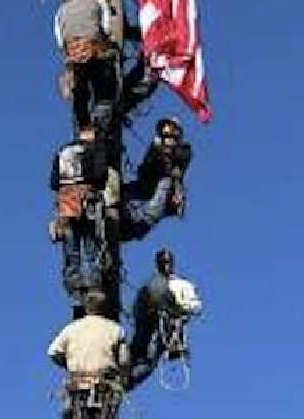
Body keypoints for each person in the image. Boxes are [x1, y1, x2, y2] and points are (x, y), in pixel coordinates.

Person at [49, 124, 111, 299]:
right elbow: (100, 175)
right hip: (86, 200)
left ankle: (74, 285)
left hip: (66, 203)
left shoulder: (63, 151)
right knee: (91, 245)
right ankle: (94, 285)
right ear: (91, 133)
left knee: (71, 247)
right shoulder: (94, 149)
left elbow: (54, 182)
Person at [127, 249, 203, 389]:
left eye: (167, 262)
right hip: (153, 327)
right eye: (164, 262)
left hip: (157, 327)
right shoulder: (157, 284)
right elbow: (196, 307)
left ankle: (125, 377)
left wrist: (183, 310)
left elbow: (196, 307)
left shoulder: (171, 284)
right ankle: (126, 380)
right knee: (145, 359)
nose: (166, 265)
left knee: (141, 357)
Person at [49, 289, 130, 418]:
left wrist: (67, 363)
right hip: (104, 388)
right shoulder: (116, 329)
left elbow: (53, 352)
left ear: (86, 308)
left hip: (77, 386)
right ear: (104, 308)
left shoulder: (71, 328)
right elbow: (124, 361)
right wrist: (123, 380)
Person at [54, 0, 118, 130]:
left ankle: (84, 127)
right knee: (104, 87)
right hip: (93, 47)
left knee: (80, 92)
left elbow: (59, 39)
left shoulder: (62, 9)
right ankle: (100, 122)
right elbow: (107, 28)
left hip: (72, 52)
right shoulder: (97, 0)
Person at [128, 118, 194, 218]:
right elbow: (146, 165)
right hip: (148, 185)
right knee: (123, 191)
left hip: (168, 189)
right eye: (164, 129)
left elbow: (180, 159)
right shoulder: (155, 147)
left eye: (170, 128)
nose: (166, 130)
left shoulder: (184, 149)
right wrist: (155, 149)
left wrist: (165, 149)